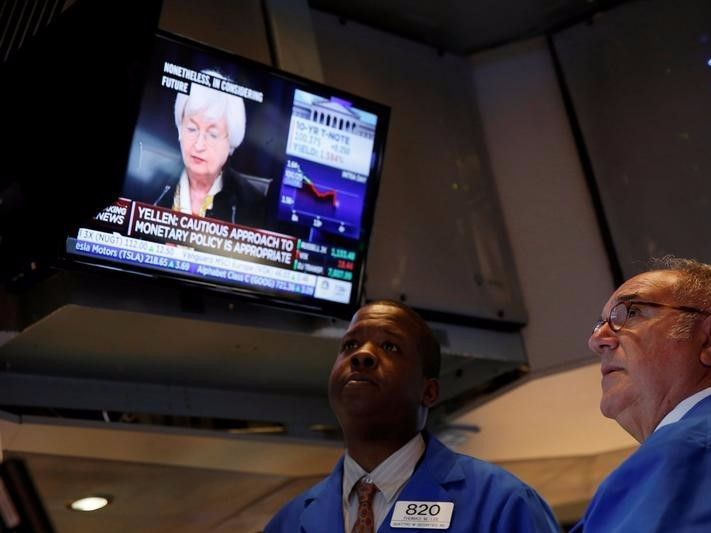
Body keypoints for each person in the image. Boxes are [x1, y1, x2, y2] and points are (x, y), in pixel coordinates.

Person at [265, 299, 560, 532]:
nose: (361, 355)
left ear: (429, 392)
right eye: (350, 345)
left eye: (389, 346)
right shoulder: (287, 522)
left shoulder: (502, 502)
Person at [571, 256, 711, 532]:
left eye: (631, 313)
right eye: (599, 324)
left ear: (707, 340)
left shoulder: (685, 452)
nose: (597, 339)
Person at [153, 70, 268, 227]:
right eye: (192, 129)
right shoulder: (150, 183)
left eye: (213, 135)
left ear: (231, 142)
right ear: (180, 129)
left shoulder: (252, 204)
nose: (199, 146)